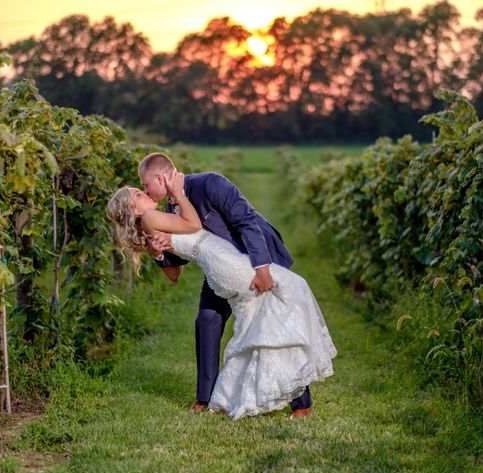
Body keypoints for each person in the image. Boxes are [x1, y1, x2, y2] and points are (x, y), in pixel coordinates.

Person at [106, 168, 337, 420]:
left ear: (161, 178)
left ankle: (283, 398)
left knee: (265, 318)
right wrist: (163, 241)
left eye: (143, 186)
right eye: (139, 192)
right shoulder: (156, 215)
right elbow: (189, 235)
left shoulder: (208, 184)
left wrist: (261, 267)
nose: (145, 191)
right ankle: (212, 398)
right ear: (134, 211)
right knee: (272, 308)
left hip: (238, 257)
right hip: (222, 267)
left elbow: (245, 221)